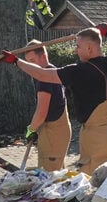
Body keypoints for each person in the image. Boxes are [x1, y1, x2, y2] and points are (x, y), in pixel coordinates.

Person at [5, 23, 107, 174]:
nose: (76, 50)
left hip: (97, 140)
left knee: (94, 186)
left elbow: (42, 75)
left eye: (78, 46)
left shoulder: (79, 71)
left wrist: (16, 62)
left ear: (89, 48)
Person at [22, 40, 71, 171]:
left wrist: (31, 130)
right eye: (27, 62)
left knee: (48, 178)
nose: (30, 66)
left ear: (43, 57)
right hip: (58, 131)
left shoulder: (45, 78)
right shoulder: (54, 72)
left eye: (32, 61)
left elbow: (41, 112)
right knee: (57, 175)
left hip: (53, 134)